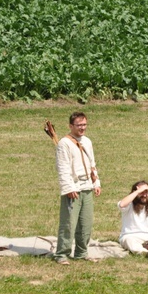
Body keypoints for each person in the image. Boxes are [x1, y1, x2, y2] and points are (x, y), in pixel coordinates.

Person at [53, 111, 101, 265]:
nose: (82, 128)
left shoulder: (87, 141)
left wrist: (96, 183)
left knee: (85, 223)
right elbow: (63, 168)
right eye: (79, 125)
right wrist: (68, 188)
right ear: (71, 126)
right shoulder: (64, 143)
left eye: (84, 124)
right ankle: (62, 254)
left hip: (87, 186)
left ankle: (81, 252)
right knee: (69, 223)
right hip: (73, 188)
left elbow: (92, 164)